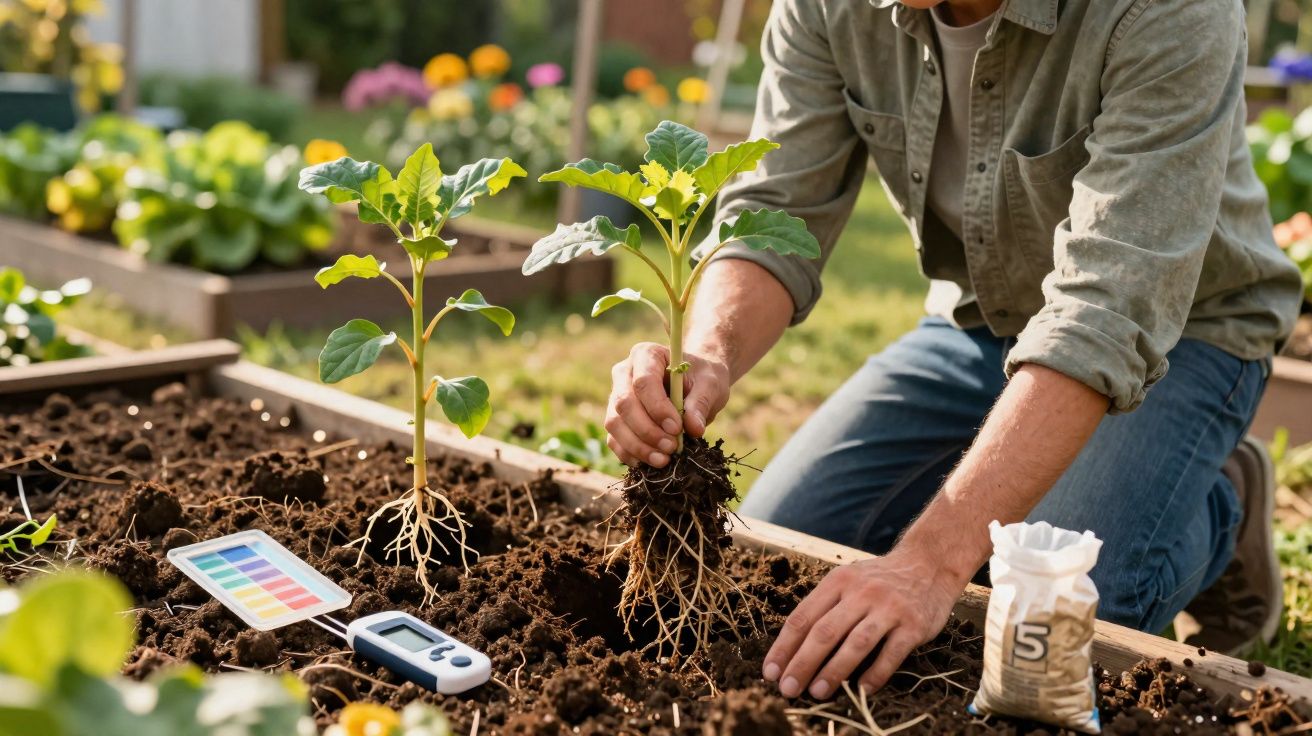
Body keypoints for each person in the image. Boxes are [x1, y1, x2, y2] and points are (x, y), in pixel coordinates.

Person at [603, 0, 1305, 702]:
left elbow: (1107, 311)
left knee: (1043, 620)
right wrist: (706, 354)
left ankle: (1221, 504)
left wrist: (932, 563)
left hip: (1181, 336)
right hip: (982, 319)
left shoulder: (1172, 10)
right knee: (785, 552)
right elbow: (779, 212)